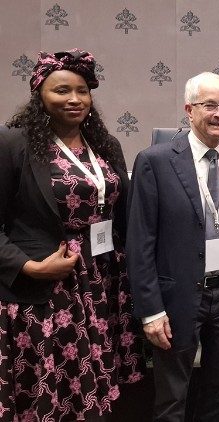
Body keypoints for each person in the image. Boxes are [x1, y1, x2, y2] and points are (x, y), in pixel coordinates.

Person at [0, 49, 143, 420]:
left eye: (82, 90)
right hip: (46, 285)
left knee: (94, 387)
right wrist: (28, 267)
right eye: (61, 90)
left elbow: (120, 212)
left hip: (102, 281)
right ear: (39, 96)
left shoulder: (105, 145)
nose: (74, 99)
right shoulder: (12, 143)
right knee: (52, 388)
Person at [127, 72, 219, 421]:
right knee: (172, 395)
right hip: (177, 295)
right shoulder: (155, 161)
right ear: (189, 109)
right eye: (209, 105)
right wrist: (150, 310)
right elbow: (140, 243)